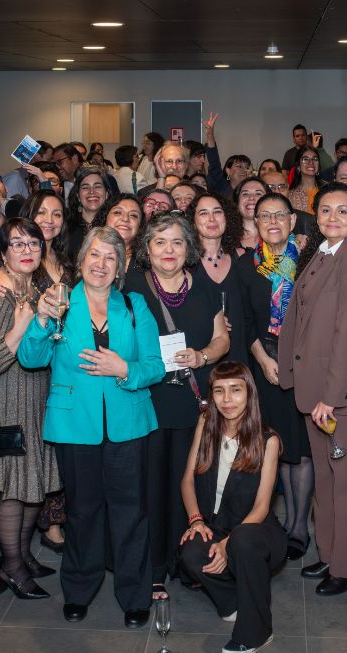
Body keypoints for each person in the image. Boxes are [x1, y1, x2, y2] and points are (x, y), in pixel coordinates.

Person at [17, 226, 164, 627]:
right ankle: (79, 589)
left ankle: (135, 595)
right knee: (82, 512)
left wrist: (124, 368)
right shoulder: (60, 303)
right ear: (81, 260)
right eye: (94, 255)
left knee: (131, 513)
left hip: (128, 424)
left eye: (110, 257)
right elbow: (30, 358)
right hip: (74, 425)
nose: (101, 264)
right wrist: (41, 318)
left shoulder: (133, 305)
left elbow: (155, 365)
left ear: (120, 267)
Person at [278, 182, 347, 596]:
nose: (332, 218)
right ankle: (330, 553)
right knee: (326, 479)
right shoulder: (324, 251)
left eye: (342, 210)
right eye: (325, 210)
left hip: (341, 396)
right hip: (315, 389)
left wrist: (331, 397)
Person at [124, 212, 230, 601]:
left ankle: (187, 562)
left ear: (189, 248)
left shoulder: (204, 286)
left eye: (177, 242)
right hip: (148, 402)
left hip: (194, 402)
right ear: (147, 249)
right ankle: (153, 567)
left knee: (191, 483)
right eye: (160, 242)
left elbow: (222, 339)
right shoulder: (132, 287)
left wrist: (202, 356)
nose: (168, 250)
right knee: (150, 488)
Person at [0, 218, 62, 600]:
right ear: (4, 252)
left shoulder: (36, 289)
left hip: (34, 399)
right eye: (18, 244)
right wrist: (22, 325)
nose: (27, 250)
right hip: (6, 403)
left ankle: (22, 555)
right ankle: (11, 567)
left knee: (31, 486)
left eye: (34, 243)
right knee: (12, 489)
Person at [178, 362, 286, 653]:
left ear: (249, 393)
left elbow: (262, 507)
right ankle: (232, 601)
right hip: (217, 524)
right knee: (191, 552)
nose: (227, 399)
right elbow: (187, 480)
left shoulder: (268, 440)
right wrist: (196, 521)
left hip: (257, 532)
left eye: (235, 390)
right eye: (219, 391)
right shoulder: (206, 423)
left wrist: (226, 544)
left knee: (242, 542)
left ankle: (257, 632)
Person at [236, 192, 312, 560]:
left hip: (304, 364)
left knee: (304, 448)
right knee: (278, 446)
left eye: (280, 215)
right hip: (265, 363)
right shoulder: (246, 266)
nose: (273, 222)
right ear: (256, 223)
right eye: (265, 216)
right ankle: (285, 518)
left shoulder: (309, 261)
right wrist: (264, 360)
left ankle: (299, 525)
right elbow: (244, 320)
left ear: (292, 220)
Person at [187, 191, 248, 361]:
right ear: (193, 222)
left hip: (239, 352)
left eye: (217, 211)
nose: (212, 219)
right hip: (200, 353)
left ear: (227, 217)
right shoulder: (184, 264)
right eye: (203, 213)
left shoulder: (243, 258)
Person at [65, 166, 111, 263]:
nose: (91, 192)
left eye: (97, 186)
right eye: (85, 187)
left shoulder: (114, 226)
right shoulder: (65, 228)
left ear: (106, 194)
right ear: (78, 196)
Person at [98, 193, 145, 272]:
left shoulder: (147, 261)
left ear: (140, 225)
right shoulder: (88, 252)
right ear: (105, 217)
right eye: (118, 212)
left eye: (133, 215)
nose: (125, 219)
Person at [234, 177, 268, 251]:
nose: (251, 198)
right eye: (245, 194)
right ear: (237, 202)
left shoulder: (280, 237)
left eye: (258, 194)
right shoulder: (224, 239)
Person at [288, 147, 323, 214]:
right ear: (298, 166)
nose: (311, 162)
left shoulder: (328, 190)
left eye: (315, 159)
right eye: (305, 159)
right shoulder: (291, 195)